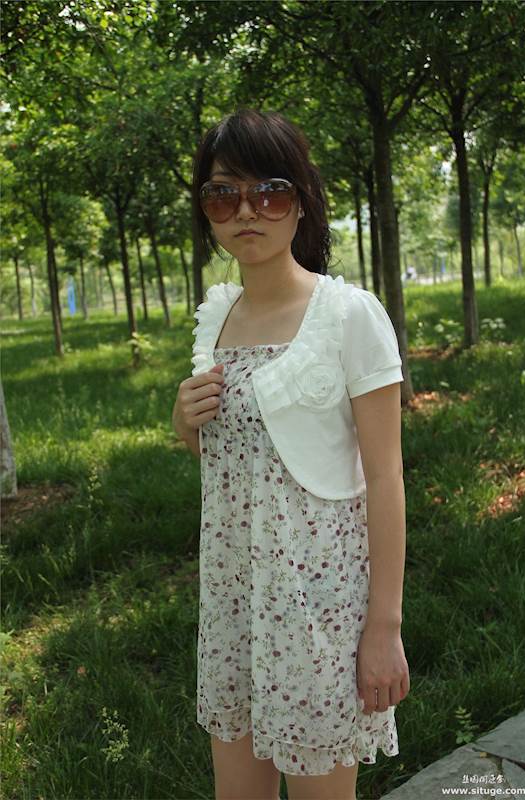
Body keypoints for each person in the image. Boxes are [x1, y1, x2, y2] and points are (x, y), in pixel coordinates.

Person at [172, 109, 410, 800]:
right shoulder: (216, 317)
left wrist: (383, 628)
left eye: (268, 192)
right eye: (223, 195)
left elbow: (385, 477)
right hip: (233, 603)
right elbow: (236, 461)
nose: (246, 211)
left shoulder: (348, 315)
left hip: (319, 610)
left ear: (301, 201)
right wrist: (184, 422)